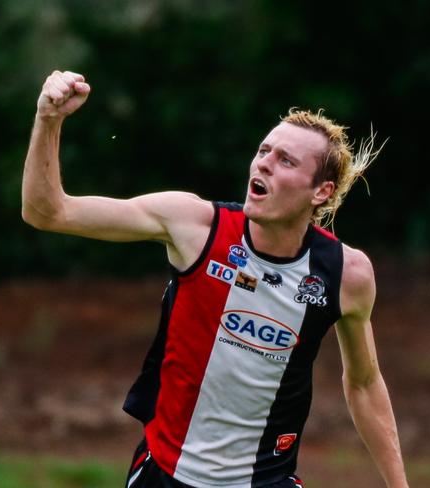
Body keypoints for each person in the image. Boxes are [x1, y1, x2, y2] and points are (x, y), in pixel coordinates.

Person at [22, 70, 409, 488]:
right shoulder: (194, 225)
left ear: (321, 192)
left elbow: (365, 383)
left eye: (286, 160)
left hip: (266, 482)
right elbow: (47, 212)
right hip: (166, 476)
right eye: (264, 150)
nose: (264, 162)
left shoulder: (345, 274)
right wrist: (48, 119)